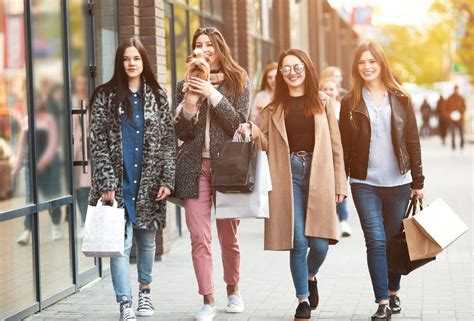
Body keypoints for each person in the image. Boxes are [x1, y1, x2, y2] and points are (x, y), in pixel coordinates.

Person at [238, 48, 347, 321]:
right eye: (286, 68)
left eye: (297, 67)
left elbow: (336, 146)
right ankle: (302, 299)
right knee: (297, 240)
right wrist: (251, 130)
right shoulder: (273, 107)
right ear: (280, 75)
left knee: (320, 243)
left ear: (307, 69)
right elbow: (264, 142)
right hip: (287, 176)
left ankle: (311, 276)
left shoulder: (323, 102)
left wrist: (340, 184)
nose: (292, 72)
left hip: (319, 174)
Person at [88, 38, 176, 320]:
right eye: (126, 58)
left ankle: (145, 294)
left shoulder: (158, 96)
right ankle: (125, 302)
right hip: (117, 185)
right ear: (120, 62)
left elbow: (168, 142)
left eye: (136, 58)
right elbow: (97, 140)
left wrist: (167, 179)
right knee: (120, 246)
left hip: (148, 184)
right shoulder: (105, 95)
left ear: (143, 61)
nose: (131, 63)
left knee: (147, 242)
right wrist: (105, 181)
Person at [339, 41, 424, 321]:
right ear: (356, 67)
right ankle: (383, 302)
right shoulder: (349, 102)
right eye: (362, 62)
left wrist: (418, 182)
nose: (367, 67)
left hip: (398, 182)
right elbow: (343, 145)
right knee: (375, 241)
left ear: (381, 64)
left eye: (372, 61)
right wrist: (341, 180)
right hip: (364, 182)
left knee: (391, 241)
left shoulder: (400, 97)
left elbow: (412, 140)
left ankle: (394, 289)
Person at [173, 26, 250, 321]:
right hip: (195, 168)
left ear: (220, 49)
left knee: (228, 236)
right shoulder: (185, 83)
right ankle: (207, 298)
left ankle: (233, 290)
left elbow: (238, 124)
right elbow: (181, 131)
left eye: (209, 45)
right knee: (198, 236)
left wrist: (213, 94)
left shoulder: (238, 80)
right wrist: (191, 102)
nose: (203, 50)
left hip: (228, 167)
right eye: (198, 45)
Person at [13, 98, 63, 245]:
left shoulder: (49, 120)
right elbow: (22, 145)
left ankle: (56, 224)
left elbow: (53, 143)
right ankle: (27, 231)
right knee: (30, 198)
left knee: (50, 196)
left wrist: (44, 162)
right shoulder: (26, 121)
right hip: (31, 165)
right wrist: (16, 166)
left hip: (47, 165)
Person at [319, 78, 352, 237]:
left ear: (337, 91)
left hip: (339, 155)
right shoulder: (317, 109)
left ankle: (343, 220)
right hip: (323, 155)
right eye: (324, 88)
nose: (328, 92)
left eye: (331, 89)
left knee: (339, 186)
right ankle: (328, 221)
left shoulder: (342, 108)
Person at [71, 73, 91, 238]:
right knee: (78, 189)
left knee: (87, 188)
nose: (81, 86)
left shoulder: (91, 102)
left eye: (84, 83)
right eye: (79, 83)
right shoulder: (71, 102)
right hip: (75, 152)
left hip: (89, 151)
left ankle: (87, 221)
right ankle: (84, 220)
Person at [445, 84, 466, 150]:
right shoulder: (450, 98)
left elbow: (464, 107)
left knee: (461, 133)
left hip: (460, 119)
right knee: (453, 133)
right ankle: (453, 146)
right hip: (452, 119)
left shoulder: (461, 98)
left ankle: (462, 145)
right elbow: (446, 108)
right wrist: (450, 115)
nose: (456, 90)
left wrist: (461, 114)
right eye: (455, 89)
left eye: (457, 89)